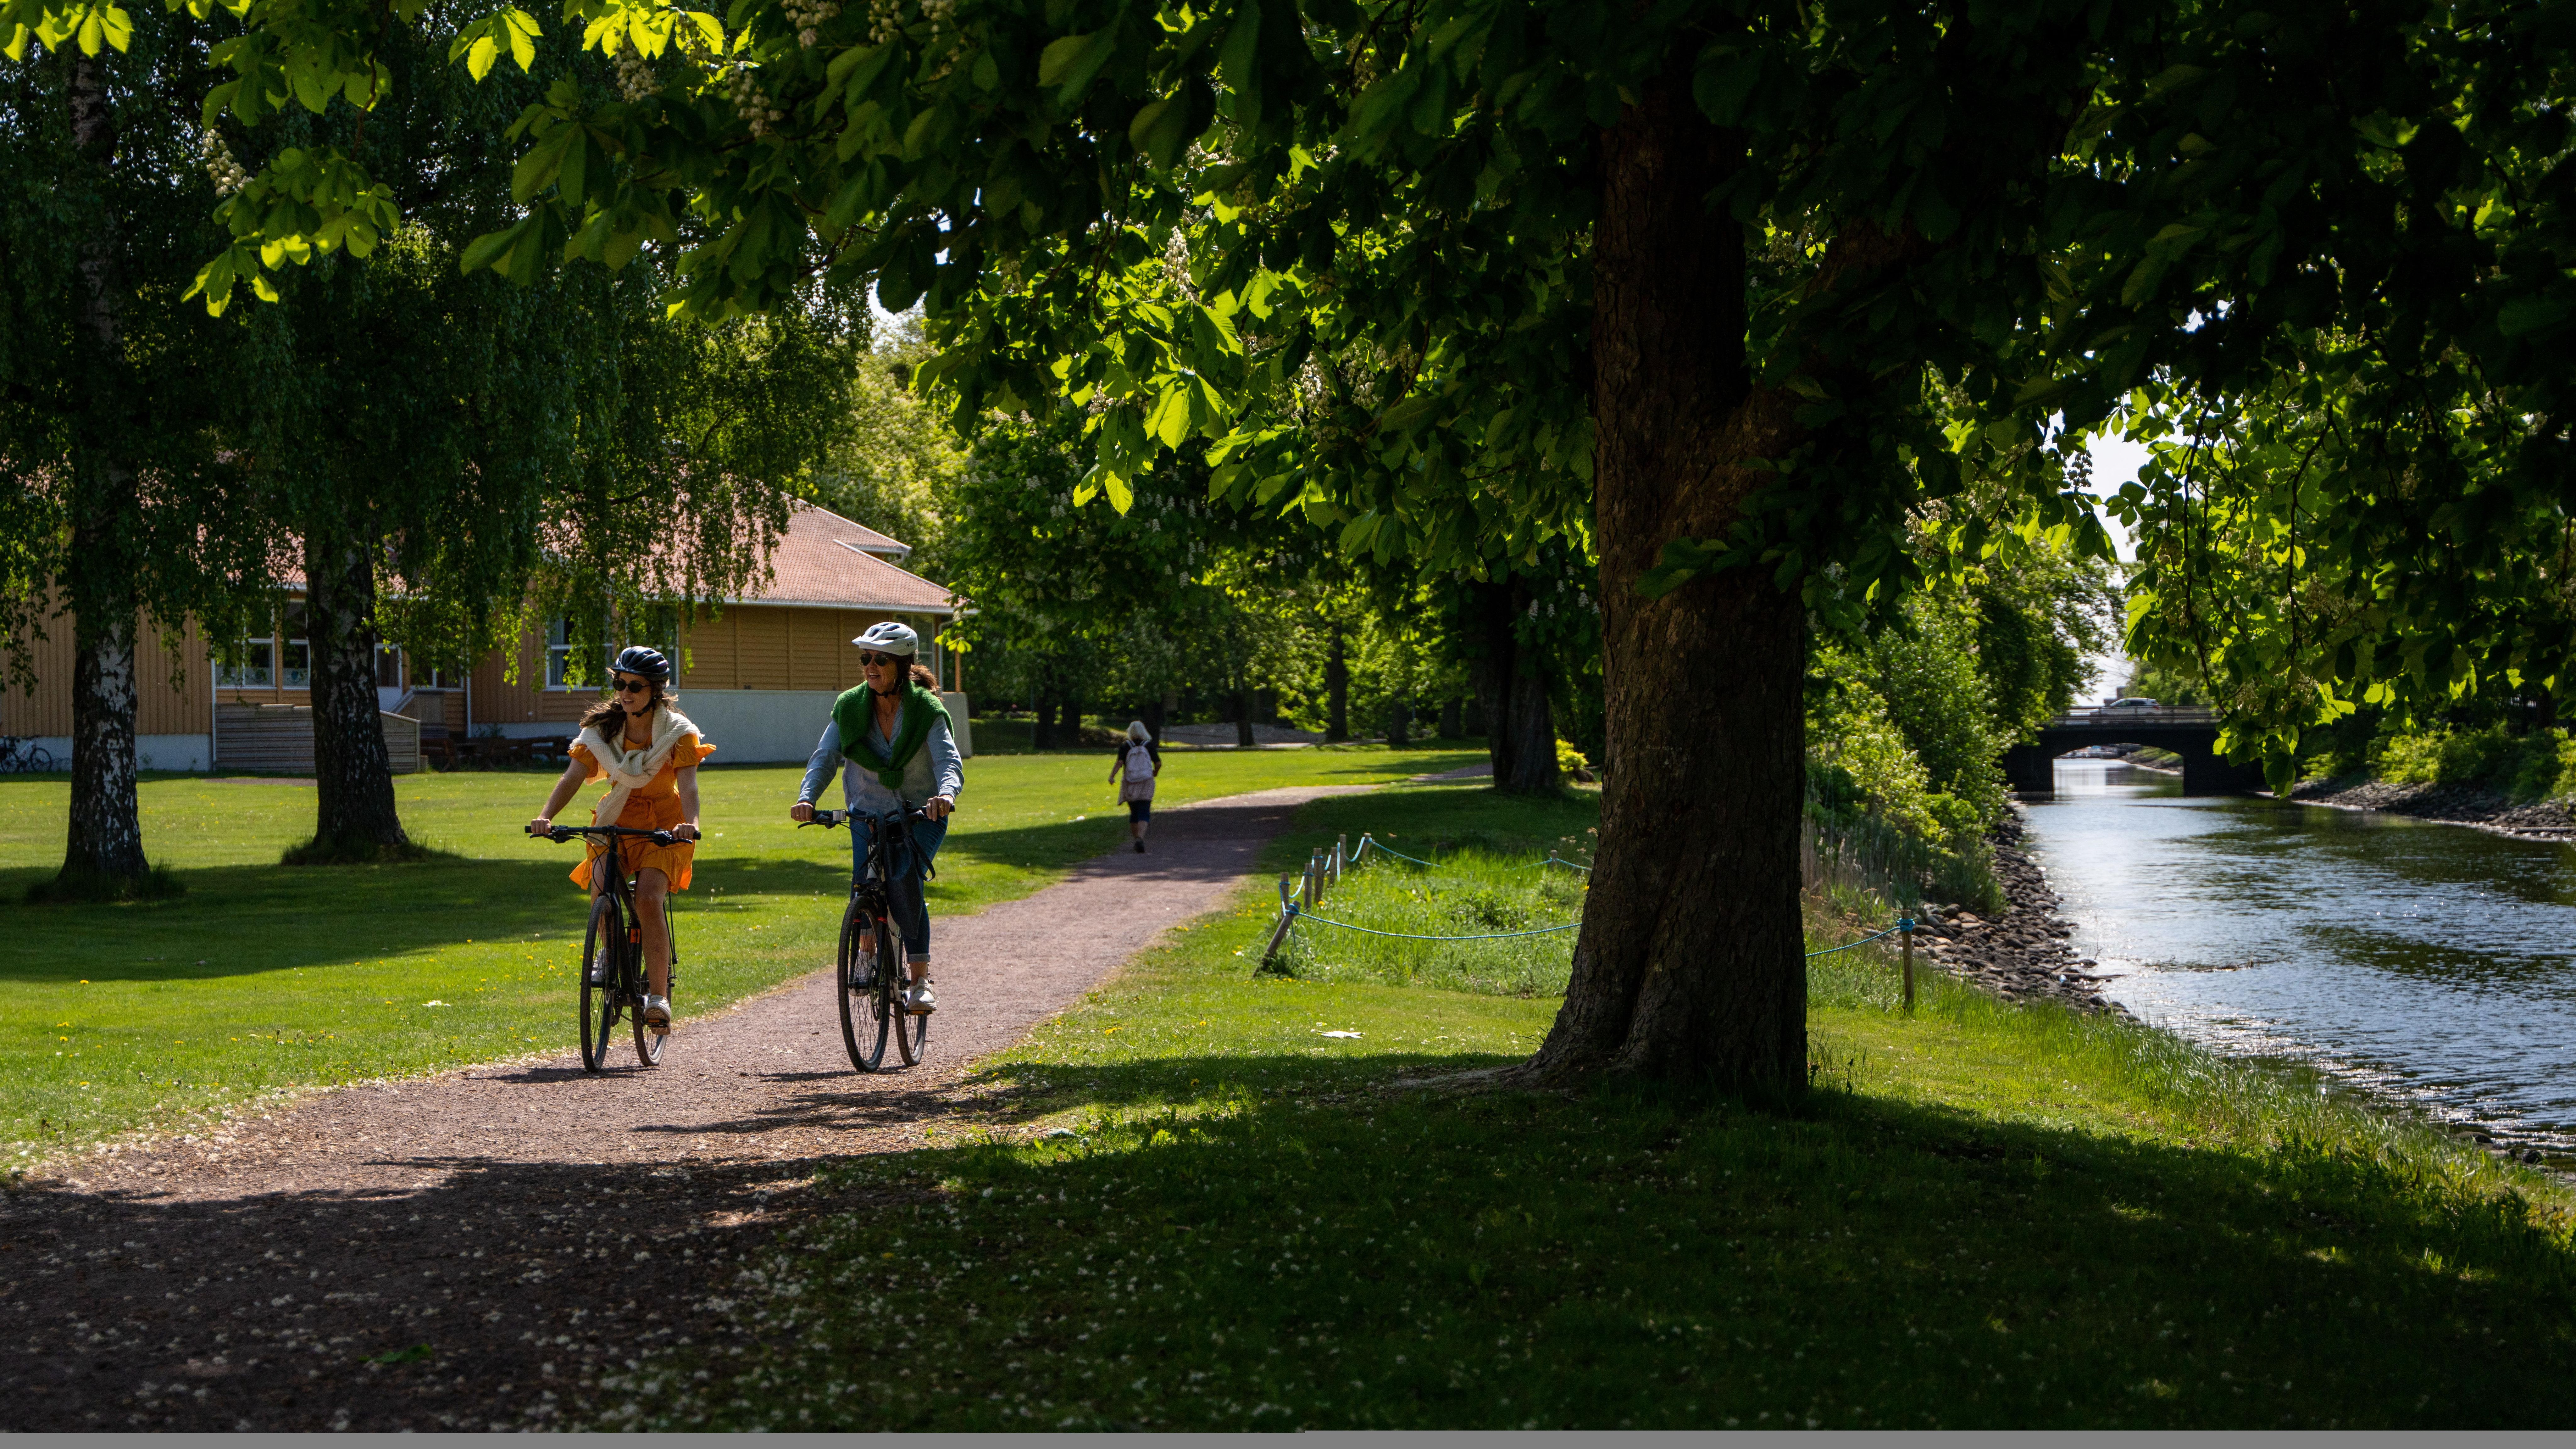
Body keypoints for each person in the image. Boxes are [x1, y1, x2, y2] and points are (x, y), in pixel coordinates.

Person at [527, 646, 712, 1031]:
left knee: (647, 898)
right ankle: (608, 955)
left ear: (656, 691)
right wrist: (546, 817)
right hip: (615, 818)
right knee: (601, 887)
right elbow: (572, 778)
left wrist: (690, 823)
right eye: (619, 684)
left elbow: (689, 786)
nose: (625, 693)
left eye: (635, 686)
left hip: (663, 824)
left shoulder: (678, 732)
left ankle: (658, 998)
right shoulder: (601, 731)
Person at [790, 621, 962, 1014]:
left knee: (904, 877)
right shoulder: (850, 706)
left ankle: (919, 980)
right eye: (865, 658)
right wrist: (806, 797)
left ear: (902, 665)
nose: (870, 665)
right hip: (868, 814)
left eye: (880, 659)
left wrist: (945, 795)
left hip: (921, 813)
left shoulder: (926, 710)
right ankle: (866, 953)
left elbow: (948, 760)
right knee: (865, 883)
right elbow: (825, 757)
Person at [1110, 720, 1160, 852]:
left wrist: (1112, 776)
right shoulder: (1149, 745)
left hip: (1130, 782)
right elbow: (1158, 763)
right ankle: (1141, 838)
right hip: (1146, 781)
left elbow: (1120, 763)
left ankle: (1136, 838)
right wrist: (1155, 772)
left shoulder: (1126, 746)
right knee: (1145, 810)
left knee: (1134, 812)